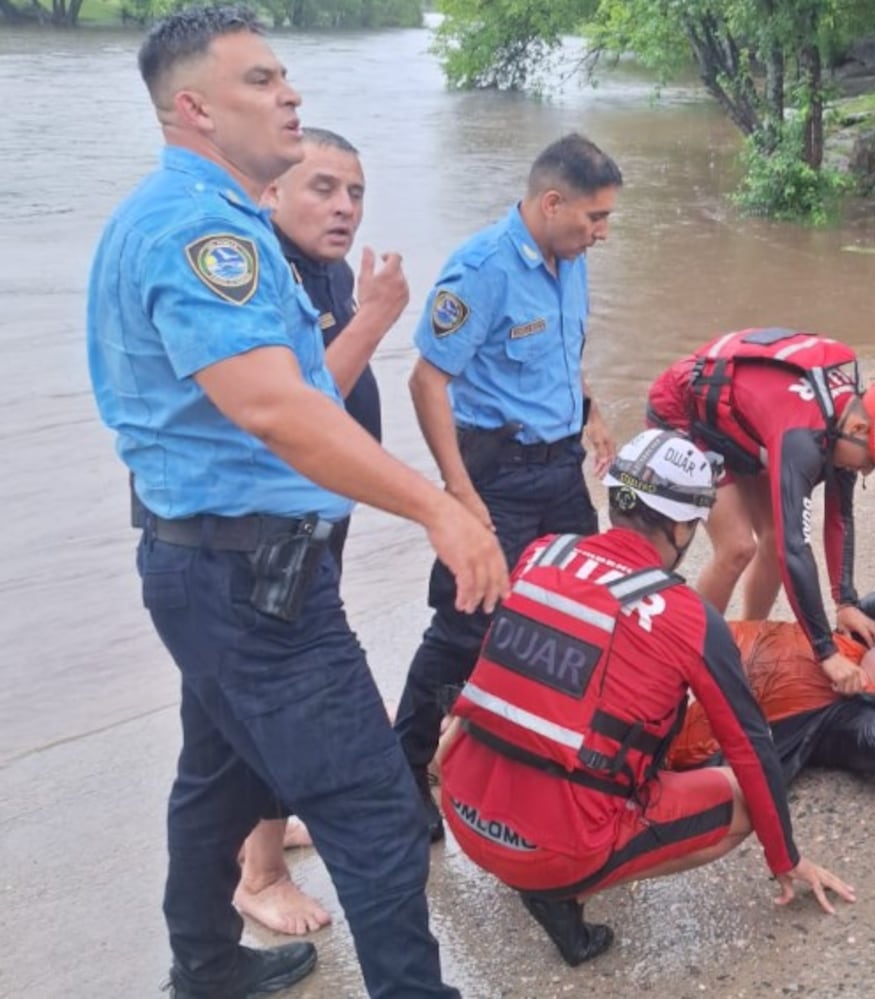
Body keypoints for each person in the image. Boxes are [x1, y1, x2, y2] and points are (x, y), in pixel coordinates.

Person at [86, 7, 508, 996]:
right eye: (262, 81)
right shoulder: (200, 230)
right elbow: (273, 405)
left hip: (215, 565)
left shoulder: (203, 215)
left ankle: (204, 969)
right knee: (375, 808)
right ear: (195, 108)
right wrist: (438, 507)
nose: (290, 95)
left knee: (220, 778)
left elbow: (290, 391)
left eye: (286, 78)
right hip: (250, 582)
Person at [439, 429, 855, 967]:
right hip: (555, 851)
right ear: (681, 527)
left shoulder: (542, 552)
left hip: (463, 813)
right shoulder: (687, 616)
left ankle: (543, 862)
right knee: (741, 798)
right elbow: (750, 747)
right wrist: (785, 858)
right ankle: (563, 887)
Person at [396, 133, 620, 840]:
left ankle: (528, 750)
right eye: (594, 217)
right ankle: (406, 770)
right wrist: (459, 493)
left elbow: (563, 349)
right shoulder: (482, 269)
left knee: (575, 611)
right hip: (496, 477)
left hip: (560, 470)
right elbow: (426, 382)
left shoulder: (570, 260)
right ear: (552, 203)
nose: (602, 233)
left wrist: (591, 413)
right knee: (466, 626)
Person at [233, 125, 410, 937]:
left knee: (274, 699)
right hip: (269, 532)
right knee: (272, 699)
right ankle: (259, 874)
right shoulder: (261, 274)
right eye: (324, 188)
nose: (345, 207)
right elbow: (296, 409)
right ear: (272, 191)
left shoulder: (326, 268)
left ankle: (268, 829)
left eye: (356, 192)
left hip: (317, 515)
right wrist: (373, 319)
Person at [647, 330, 875, 697]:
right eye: (870, 462)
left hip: (742, 425)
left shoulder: (847, 423)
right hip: (686, 411)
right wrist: (826, 652)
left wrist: (845, 601)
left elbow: (839, 518)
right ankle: (681, 661)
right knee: (737, 547)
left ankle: (748, 642)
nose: (865, 472)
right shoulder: (803, 437)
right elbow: (794, 548)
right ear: (859, 429)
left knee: (770, 540)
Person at [666, 591, 875, 780]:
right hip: (683, 655)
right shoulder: (861, 641)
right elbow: (873, 602)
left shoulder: (849, 718)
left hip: (679, 732)